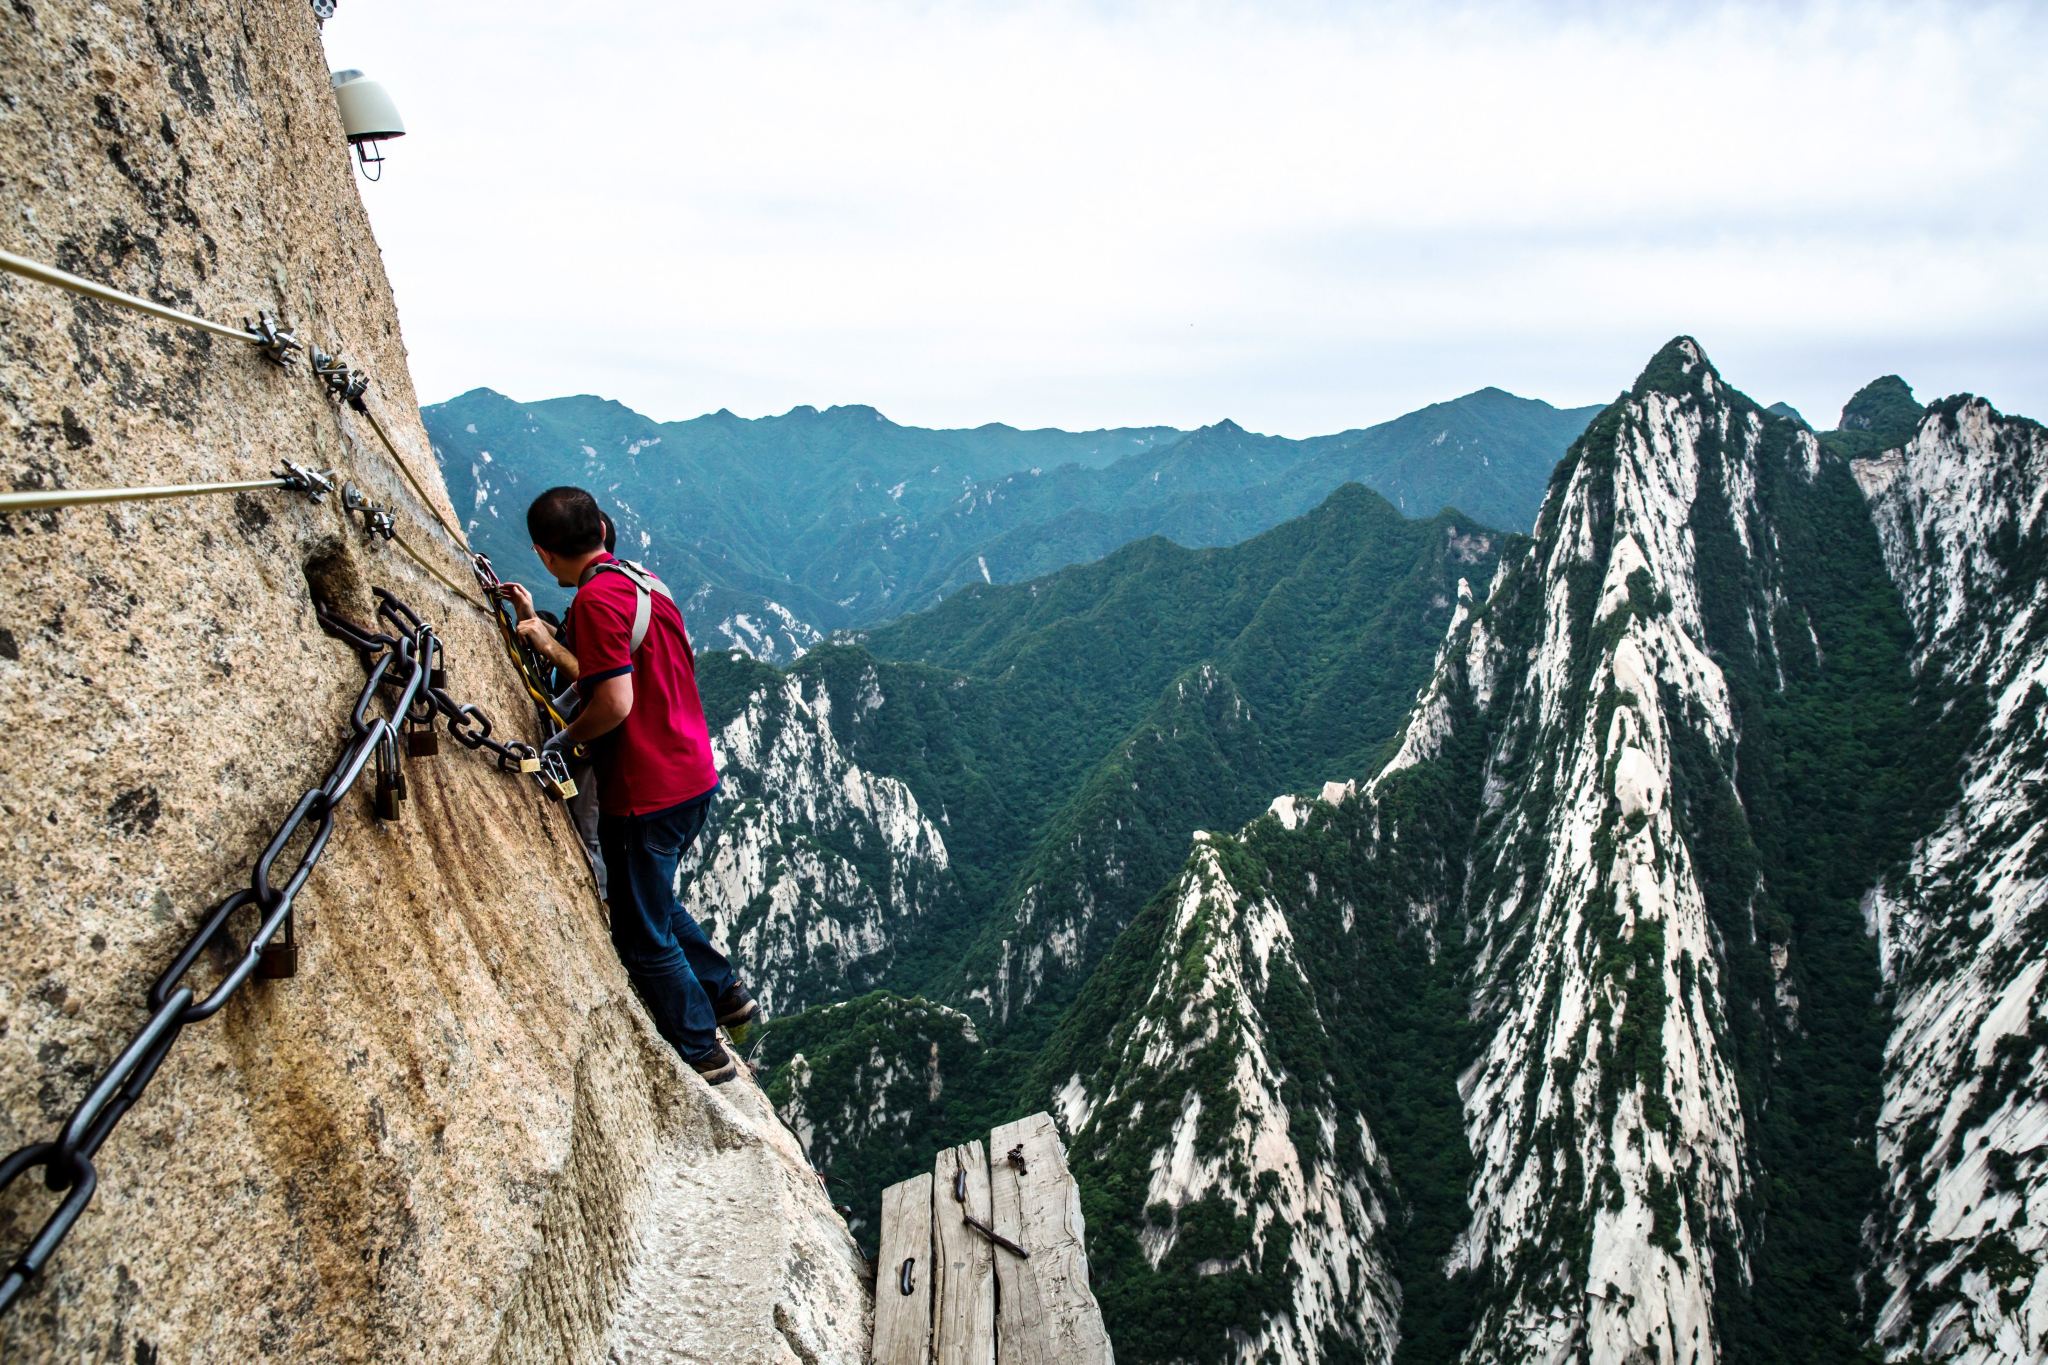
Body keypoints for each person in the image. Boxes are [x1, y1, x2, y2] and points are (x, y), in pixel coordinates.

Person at [504, 486, 758, 1085]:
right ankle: (726, 994)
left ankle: (703, 1052)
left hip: (646, 791)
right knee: (658, 899)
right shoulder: (649, 584)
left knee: (641, 932)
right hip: (693, 774)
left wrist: (563, 742)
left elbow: (614, 701)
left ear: (544, 555)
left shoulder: (594, 602)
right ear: (601, 529)